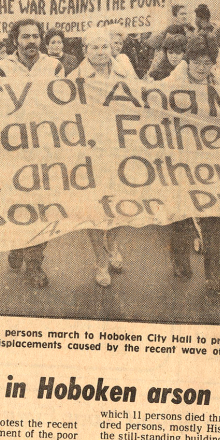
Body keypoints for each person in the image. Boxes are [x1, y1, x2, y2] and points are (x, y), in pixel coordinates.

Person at [0, 19, 64, 286]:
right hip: (14, 147)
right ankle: (16, 244)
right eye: (25, 36)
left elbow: (63, 104)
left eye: (35, 36)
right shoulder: (1, 68)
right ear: (15, 40)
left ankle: (35, 263)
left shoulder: (54, 66)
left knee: (42, 205)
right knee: (17, 203)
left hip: (45, 146)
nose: (31, 41)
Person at [163, 34, 220, 298]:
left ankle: (216, 277)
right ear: (188, 61)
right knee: (181, 215)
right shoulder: (170, 85)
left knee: (215, 216)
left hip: (211, 160)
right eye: (196, 62)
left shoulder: (219, 81)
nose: (202, 68)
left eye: (207, 63)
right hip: (181, 158)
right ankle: (180, 261)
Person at [75, 30, 130, 286]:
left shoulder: (124, 72)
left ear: (112, 48)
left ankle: (113, 244)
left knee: (120, 201)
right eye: (95, 47)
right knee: (94, 206)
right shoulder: (75, 77)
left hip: (120, 147)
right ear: (85, 51)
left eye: (105, 46)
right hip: (91, 150)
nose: (100, 52)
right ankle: (100, 260)